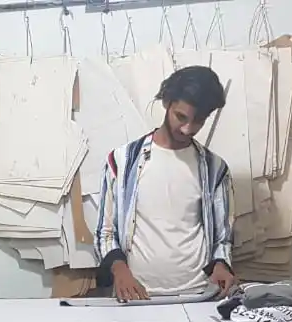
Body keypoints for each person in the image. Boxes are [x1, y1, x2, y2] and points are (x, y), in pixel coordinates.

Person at [94, 66, 238, 302]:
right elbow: (106, 232)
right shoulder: (122, 161)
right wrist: (119, 270)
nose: (188, 129)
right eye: (181, 117)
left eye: (198, 121)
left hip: (199, 296)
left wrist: (221, 265)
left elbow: (222, 237)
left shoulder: (215, 169)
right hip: (136, 296)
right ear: (166, 102)